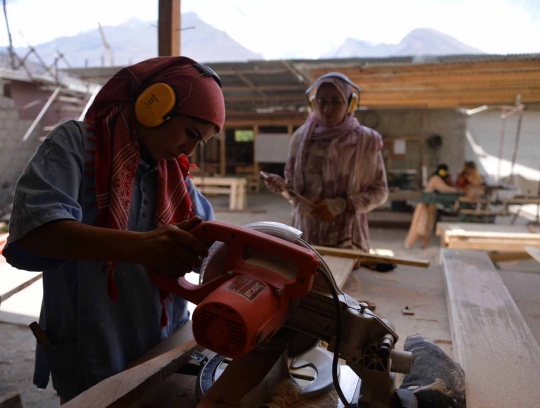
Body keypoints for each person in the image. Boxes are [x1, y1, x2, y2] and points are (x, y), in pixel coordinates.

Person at [3, 56, 225, 402]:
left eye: (201, 142)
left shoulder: (174, 177)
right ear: (155, 106)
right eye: (190, 133)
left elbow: (212, 244)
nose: (190, 149)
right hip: (91, 344)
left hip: (162, 342)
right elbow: (34, 233)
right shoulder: (76, 144)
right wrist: (142, 247)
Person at [263, 73, 388, 253]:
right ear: (314, 103)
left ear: (350, 104)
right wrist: (283, 187)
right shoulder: (300, 138)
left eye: (336, 101)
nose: (327, 109)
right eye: (322, 102)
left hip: (348, 242)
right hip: (305, 240)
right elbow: (294, 195)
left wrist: (342, 204)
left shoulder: (366, 141)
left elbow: (381, 192)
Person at [405, 164, 459, 249]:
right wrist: (456, 190)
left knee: (428, 227)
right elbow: (443, 189)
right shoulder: (435, 178)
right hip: (424, 205)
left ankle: (424, 244)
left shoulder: (441, 179)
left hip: (430, 205)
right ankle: (408, 244)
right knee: (420, 225)